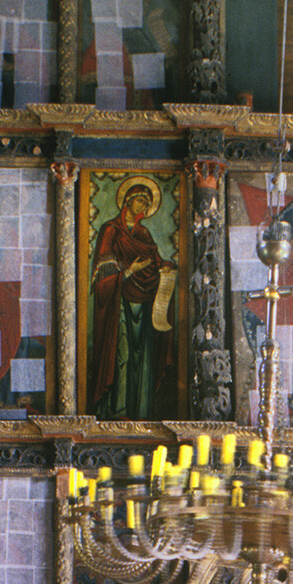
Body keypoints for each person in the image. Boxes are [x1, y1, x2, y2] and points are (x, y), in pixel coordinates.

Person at [89, 177, 175, 419]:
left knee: (142, 358)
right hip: (119, 303)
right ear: (127, 200)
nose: (144, 207)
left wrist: (166, 269)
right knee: (122, 355)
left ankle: (141, 411)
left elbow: (156, 262)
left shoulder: (144, 233)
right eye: (140, 200)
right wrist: (129, 272)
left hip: (145, 304)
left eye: (147, 203)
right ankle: (118, 411)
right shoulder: (110, 230)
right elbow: (102, 275)